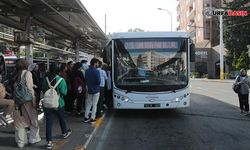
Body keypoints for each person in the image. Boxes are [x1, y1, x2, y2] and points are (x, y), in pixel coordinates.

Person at [9, 59, 40, 148]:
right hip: (27, 100)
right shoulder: (27, 73)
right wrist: (33, 100)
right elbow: (30, 88)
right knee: (33, 118)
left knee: (19, 121)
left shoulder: (14, 74)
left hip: (17, 101)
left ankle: (21, 142)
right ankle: (33, 138)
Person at [42, 63, 72, 149]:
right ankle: (64, 133)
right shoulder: (61, 80)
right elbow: (64, 92)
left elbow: (43, 90)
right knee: (62, 119)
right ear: (58, 70)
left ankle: (49, 142)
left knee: (49, 123)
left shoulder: (45, 79)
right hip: (59, 103)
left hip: (48, 104)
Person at [84, 58, 100, 124]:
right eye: (97, 63)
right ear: (95, 63)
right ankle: (92, 118)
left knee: (89, 104)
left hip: (89, 90)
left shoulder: (87, 71)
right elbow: (98, 81)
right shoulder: (97, 71)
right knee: (94, 104)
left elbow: (85, 80)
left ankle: (86, 117)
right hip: (96, 90)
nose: (98, 64)